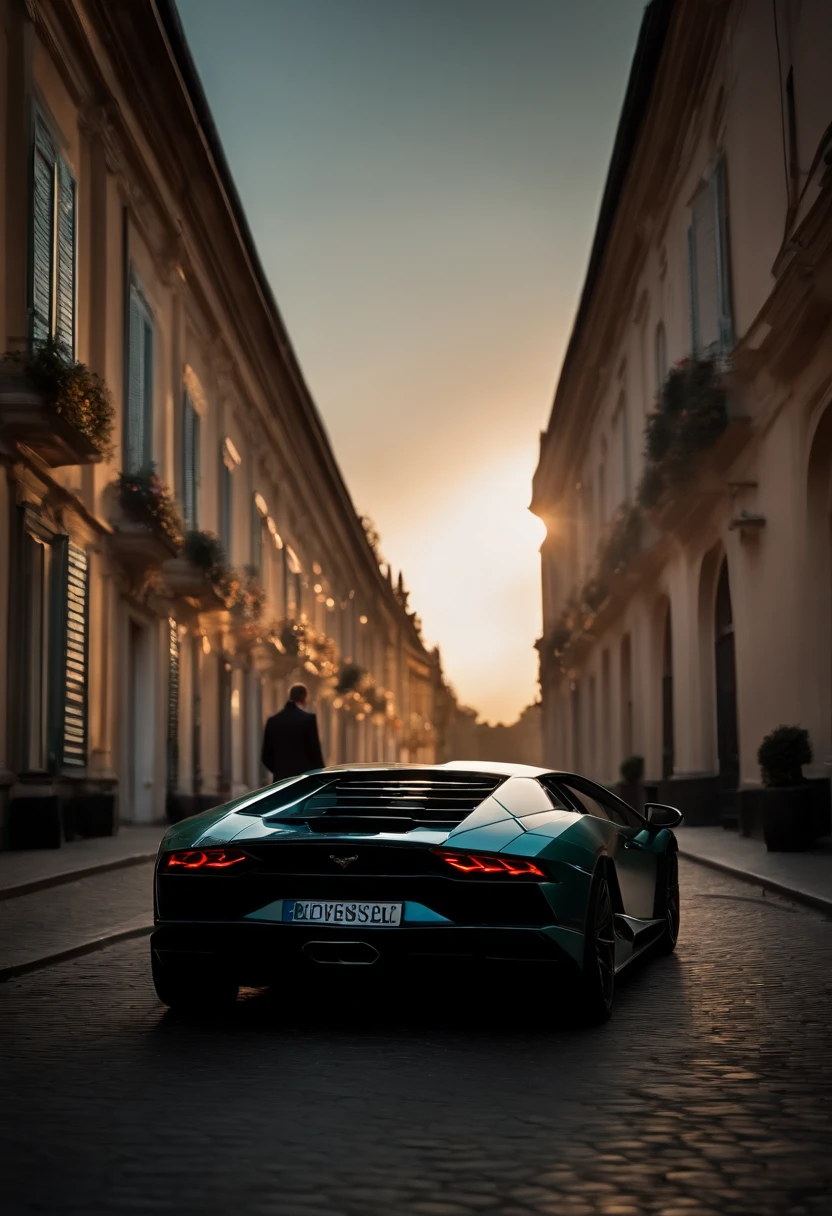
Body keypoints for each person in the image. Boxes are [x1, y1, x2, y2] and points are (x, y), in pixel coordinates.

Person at [261, 683, 325, 782]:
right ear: (304, 698)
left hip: (280, 781)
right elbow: (314, 753)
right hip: (302, 780)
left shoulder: (273, 721)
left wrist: (280, 770)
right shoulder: (308, 720)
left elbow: (266, 756)